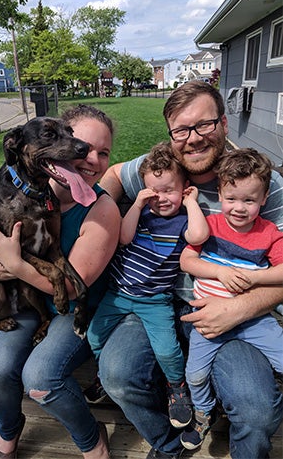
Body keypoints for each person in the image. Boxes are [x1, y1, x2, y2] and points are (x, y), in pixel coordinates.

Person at [99, 80, 283, 459]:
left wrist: (238, 309)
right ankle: (167, 443)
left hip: (234, 308)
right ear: (171, 134)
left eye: (204, 124)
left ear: (225, 123)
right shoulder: (164, 169)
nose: (193, 139)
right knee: (117, 375)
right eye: (181, 129)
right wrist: (95, 226)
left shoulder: (262, 183)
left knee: (257, 410)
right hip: (155, 298)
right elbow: (115, 174)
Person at [0, 104, 121, 459]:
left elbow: (68, 287)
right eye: (78, 142)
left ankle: (91, 439)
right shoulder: (27, 187)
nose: (87, 156)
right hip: (28, 303)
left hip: (76, 310)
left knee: (40, 379)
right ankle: (8, 431)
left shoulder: (100, 209)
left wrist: (14, 263)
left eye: (103, 152)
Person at [87, 141, 208, 429]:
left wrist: (191, 203)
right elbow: (125, 238)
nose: (162, 198)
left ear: (185, 187)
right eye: (154, 192)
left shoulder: (183, 220)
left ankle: (177, 388)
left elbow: (199, 235)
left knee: (167, 349)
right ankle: (103, 375)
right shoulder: (141, 213)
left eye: (169, 190)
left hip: (155, 300)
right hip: (118, 294)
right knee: (93, 337)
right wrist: (139, 204)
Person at [178, 148, 283, 450]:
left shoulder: (269, 233)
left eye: (249, 200)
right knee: (194, 375)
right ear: (220, 194)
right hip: (206, 323)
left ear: (263, 199)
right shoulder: (210, 227)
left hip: (252, 319)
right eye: (232, 198)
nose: (239, 208)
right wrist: (222, 273)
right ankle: (203, 411)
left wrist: (254, 278)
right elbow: (187, 262)